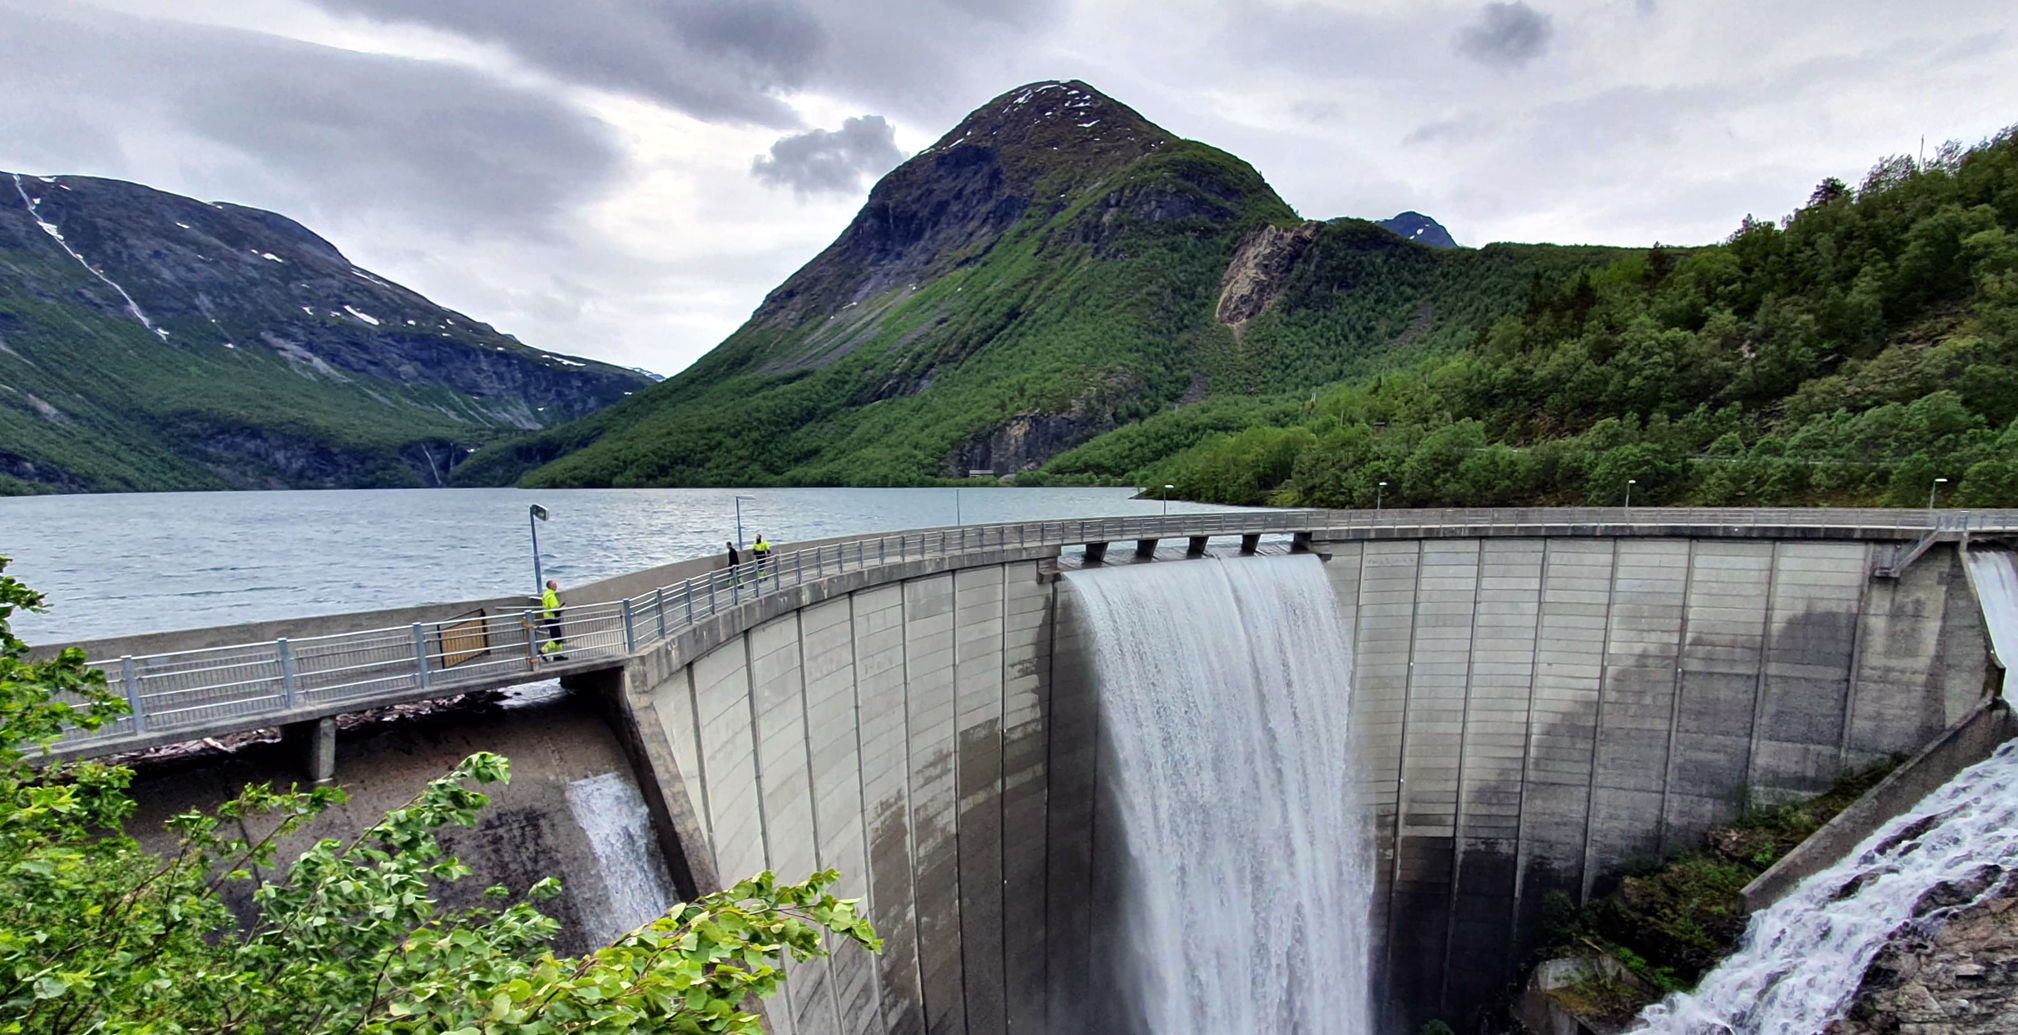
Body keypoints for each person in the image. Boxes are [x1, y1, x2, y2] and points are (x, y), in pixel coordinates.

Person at [539, 578, 567, 661]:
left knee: (558, 638)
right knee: (556, 638)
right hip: (552, 619)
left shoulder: (546, 594)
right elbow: (555, 609)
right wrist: (562, 608)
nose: (556, 586)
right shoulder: (551, 596)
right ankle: (542, 651)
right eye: (555, 585)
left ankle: (557, 656)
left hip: (548, 619)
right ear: (551, 586)